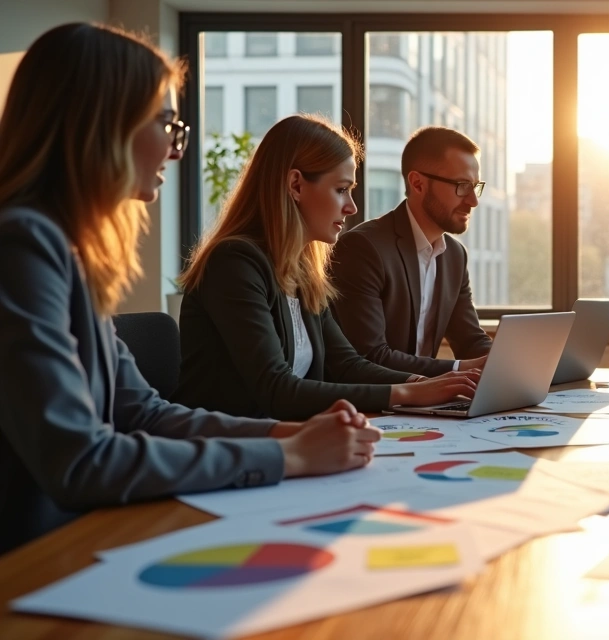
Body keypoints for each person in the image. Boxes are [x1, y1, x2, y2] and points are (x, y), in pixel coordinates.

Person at [0, 23, 382, 554]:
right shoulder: (21, 245)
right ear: (104, 123)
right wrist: (289, 456)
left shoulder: (68, 254)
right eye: (166, 124)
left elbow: (146, 414)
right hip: (35, 560)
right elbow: (82, 460)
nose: (176, 149)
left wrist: (289, 437)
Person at [175, 116, 478, 421]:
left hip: (291, 436)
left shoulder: (303, 271)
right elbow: (277, 389)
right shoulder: (233, 263)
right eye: (341, 189)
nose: (352, 207)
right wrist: (409, 394)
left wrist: (424, 384)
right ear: (296, 185)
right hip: (228, 443)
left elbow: (347, 365)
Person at [330, 126, 493, 377]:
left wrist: (511, 363)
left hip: (427, 398)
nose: (473, 201)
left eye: (475, 186)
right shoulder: (362, 249)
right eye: (462, 185)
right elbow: (371, 356)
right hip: (374, 398)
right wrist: (457, 370)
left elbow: (470, 340)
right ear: (418, 183)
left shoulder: (455, 255)